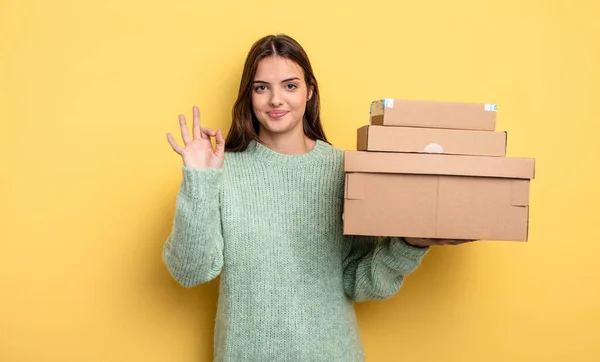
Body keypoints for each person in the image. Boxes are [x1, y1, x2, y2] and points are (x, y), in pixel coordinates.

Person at [163, 34, 473, 361]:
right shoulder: (222, 171)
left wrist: (410, 244)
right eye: (261, 87)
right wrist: (200, 178)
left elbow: (359, 281)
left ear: (310, 91)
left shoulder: (345, 170)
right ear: (249, 96)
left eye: (290, 86)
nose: (276, 100)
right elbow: (190, 271)